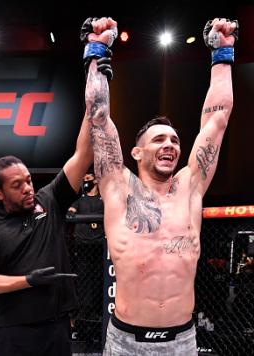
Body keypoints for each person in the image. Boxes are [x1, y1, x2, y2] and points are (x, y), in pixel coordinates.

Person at [82, 17, 238, 355]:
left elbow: (217, 119)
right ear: (136, 152)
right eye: (159, 140)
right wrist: (97, 51)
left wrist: (222, 54)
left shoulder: (190, 187)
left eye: (175, 140)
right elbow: (98, 117)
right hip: (126, 342)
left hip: (182, 341)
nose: (170, 145)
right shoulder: (117, 187)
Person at [0, 54, 112, 355]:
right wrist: (27, 281)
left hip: (57, 328)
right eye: (17, 185)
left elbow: (82, 155)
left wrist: (97, 91)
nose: (28, 188)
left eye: (28, 180)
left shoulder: (48, 199)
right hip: (14, 332)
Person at [67, 168, 105, 348]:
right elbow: (70, 211)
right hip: (82, 251)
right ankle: (83, 330)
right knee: (84, 292)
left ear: (96, 180)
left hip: (100, 252)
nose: (85, 181)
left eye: (88, 178)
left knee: (98, 290)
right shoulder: (80, 199)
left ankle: (98, 330)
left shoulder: (103, 200)